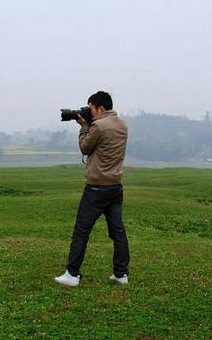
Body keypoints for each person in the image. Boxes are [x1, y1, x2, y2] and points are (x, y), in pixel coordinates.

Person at [54, 91, 130, 287]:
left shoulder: (98, 125)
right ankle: (121, 274)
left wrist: (84, 126)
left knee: (81, 231)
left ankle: (72, 274)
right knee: (118, 231)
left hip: (96, 187)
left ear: (101, 108)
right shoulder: (122, 124)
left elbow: (85, 148)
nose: (90, 112)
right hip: (116, 186)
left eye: (91, 108)